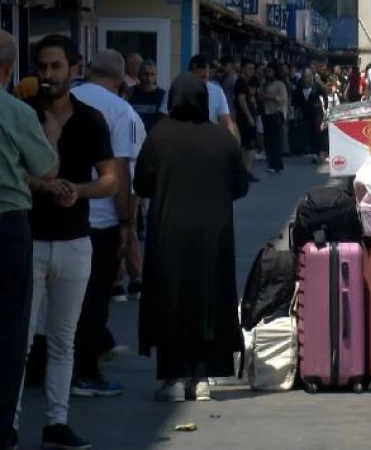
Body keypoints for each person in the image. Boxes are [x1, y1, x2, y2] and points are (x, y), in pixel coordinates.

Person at [17, 34, 118, 449]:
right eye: (42, 66)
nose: (47, 75)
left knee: (64, 339)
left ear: (74, 68)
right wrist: (40, 185)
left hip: (76, 240)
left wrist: (76, 190)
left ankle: (56, 422)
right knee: (19, 340)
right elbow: (8, 172)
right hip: (30, 239)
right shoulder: (21, 115)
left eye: (56, 66)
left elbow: (110, 179)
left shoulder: (91, 119)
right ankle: (10, 421)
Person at [134, 73, 249, 402]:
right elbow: (240, 186)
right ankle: (202, 378)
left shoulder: (159, 136)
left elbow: (142, 183)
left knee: (170, 301)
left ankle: (172, 379)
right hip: (214, 235)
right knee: (209, 299)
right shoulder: (223, 140)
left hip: (168, 233)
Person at [69, 49, 147, 398]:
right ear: (121, 80)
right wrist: (127, 223)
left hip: (60, 213)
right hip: (101, 219)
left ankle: (55, 364)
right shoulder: (122, 112)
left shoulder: (64, 99)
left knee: (60, 301)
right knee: (94, 299)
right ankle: (86, 371)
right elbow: (122, 171)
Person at [0, 30, 59, 450]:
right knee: (8, 328)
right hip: (6, 225)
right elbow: (46, 165)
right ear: (8, 70)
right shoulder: (15, 111)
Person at [159, 55, 236, 136]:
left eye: (205, 77)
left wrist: (230, 141)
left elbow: (226, 121)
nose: (202, 81)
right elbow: (163, 120)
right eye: (199, 78)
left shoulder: (217, 92)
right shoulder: (175, 90)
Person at [234, 60, 261, 183]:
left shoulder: (247, 83)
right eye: (249, 68)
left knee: (247, 146)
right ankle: (247, 172)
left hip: (248, 118)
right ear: (243, 68)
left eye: (252, 68)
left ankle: (245, 172)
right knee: (250, 146)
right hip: (245, 120)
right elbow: (241, 100)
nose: (251, 71)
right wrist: (249, 117)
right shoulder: (240, 83)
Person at [292, 68, 327, 163]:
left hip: (317, 112)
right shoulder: (300, 86)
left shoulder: (317, 85)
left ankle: (319, 151)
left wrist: (326, 108)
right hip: (305, 113)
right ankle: (313, 151)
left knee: (317, 131)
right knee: (309, 131)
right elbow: (295, 99)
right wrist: (296, 109)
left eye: (307, 76)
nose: (305, 78)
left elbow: (324, 94)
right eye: (304, 77)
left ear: (311, 76)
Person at [259, 62, 289, 173]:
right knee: (270, 139)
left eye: (270, 71)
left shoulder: (280, 84)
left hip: (276, 113)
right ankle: (275, 162)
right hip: (267, 113)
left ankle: (275, 164)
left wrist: (269, 96)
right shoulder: (267, 83)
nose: (268, 73)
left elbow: (283, 99)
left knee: (275, 140)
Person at [129, 60, 166, 134]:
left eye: (152, 75)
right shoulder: (130, 92)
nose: (149, 78)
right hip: (133, 136)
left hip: (152, 138)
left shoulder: (162, 95)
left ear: (156, 76)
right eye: (146, 74)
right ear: (139, 75)